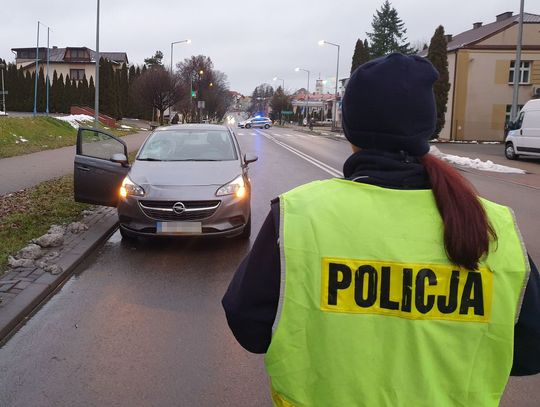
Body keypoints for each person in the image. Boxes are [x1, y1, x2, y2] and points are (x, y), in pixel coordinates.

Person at [222, 53, 540, 407]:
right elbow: (529, 352)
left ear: (351, 129)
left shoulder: (300, 217)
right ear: (427, 129)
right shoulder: (493, 229)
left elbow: (246, 323)